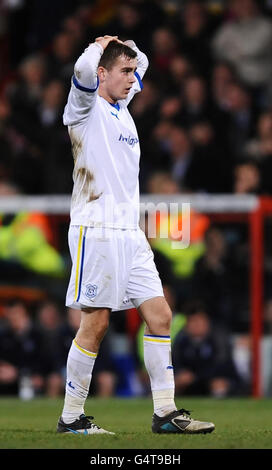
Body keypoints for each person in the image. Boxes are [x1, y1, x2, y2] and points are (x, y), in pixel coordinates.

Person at [57, 34, 215, 436]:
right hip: (97, 228)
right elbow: (81, 71)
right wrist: (100, 45)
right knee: (95, 324)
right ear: (102, 73)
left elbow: (141, 60)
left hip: (130, 232)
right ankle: (71, 418)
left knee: (160, 315)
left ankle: (165, 413)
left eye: (132, 72)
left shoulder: (122, 107)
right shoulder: (84, 108)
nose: (133, 78)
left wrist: (123, 44)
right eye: (123, 72)